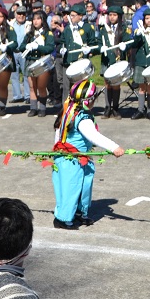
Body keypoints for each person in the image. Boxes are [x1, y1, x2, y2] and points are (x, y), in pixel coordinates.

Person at [51, 81, 124, 230]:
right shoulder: (81, 117)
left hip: (79, 159)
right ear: (89, 101)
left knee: (84, 187)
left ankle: (79, 212)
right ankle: (63, 219)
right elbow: (93, 136)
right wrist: (114, 147)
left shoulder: (69, 110)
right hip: (71, 160)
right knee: (70, 188)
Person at [98, 5, 133, 119]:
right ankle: (107, 108)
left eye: (114, 15)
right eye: (110, 15)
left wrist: (125, 46)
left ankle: (116, 109)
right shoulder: (104, 28)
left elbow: (129, 41)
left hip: (118, 59)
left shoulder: (123, 28)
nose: (112, 17)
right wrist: (100, 48)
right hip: (107, 59)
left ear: (119, 16)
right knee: (107, 84)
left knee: (116, 85)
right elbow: (99, 41)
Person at [58, 3, 98, 103]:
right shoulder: (67, 28)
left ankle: (80, 107)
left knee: (80, 88)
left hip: (81, 63)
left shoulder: (87, 27)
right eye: (70, 15)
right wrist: (62, 49)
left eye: (73, 15)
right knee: (67, 88)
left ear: (80, 16)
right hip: (68, 62)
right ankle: (66, 109)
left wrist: (89, 49)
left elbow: (94, 44)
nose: (70, 18)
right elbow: (62, 42)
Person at [19, 10, 55, 117]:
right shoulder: (30, 34)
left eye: (38, 19)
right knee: (32, 86)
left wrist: (38, 47)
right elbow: (21, 47)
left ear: (43, 20)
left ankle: (42, 108)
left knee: (41, 86)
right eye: (34, 19)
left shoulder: (48, 33)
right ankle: (33, 108)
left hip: (42, 62)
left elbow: (50, 47)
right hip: (30, 61)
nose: (35, 21)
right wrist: (27, 46)